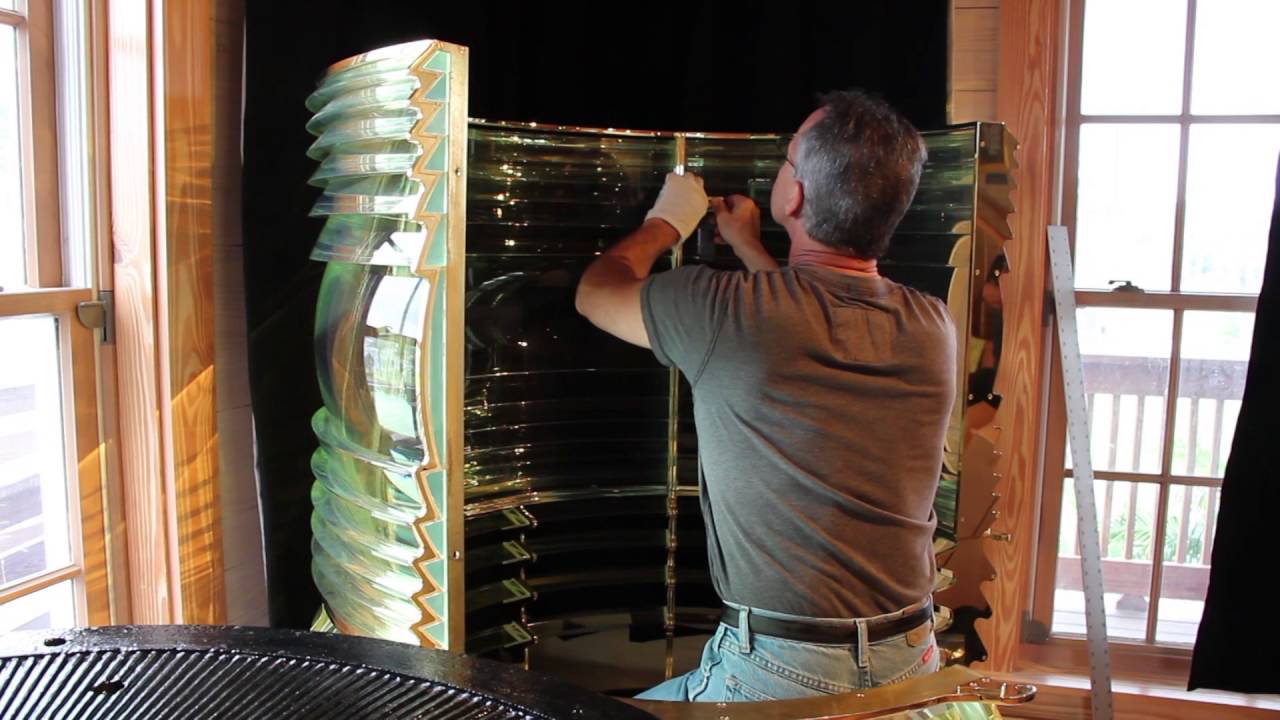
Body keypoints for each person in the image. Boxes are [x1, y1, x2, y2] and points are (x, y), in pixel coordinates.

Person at [574, 90, 955, 702]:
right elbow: (801, 321)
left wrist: (667, 221)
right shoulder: (932, 325)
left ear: (795, 196)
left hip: (779, 668)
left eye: (786, 162)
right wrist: (751, 247)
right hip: (910, 655)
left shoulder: (724, 311)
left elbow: (597, 292)